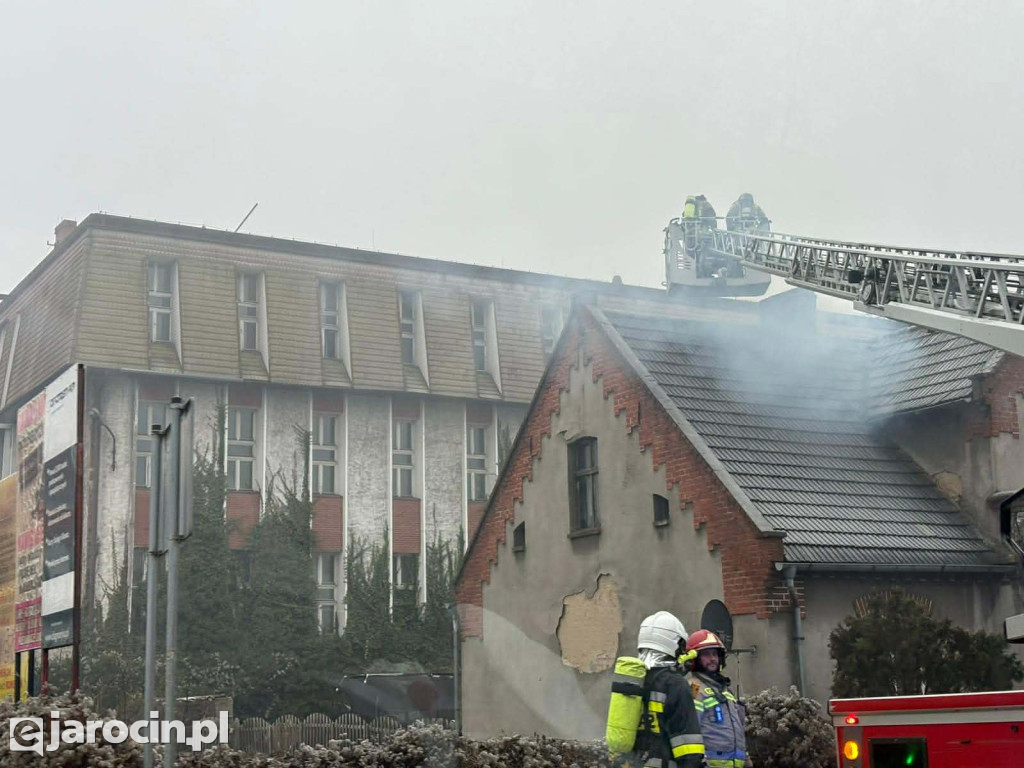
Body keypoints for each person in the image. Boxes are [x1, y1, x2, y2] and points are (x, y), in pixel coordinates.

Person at [631, 611, 706, 767]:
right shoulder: (676, 685)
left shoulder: (632, 681)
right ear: (674, 644)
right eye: (681, 646)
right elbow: (688, 748)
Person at [685, 630, 752, 768]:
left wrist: (746, 758)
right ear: (694, 659)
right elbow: (689, 730)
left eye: (714, 654)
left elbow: (737, 730)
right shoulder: (694, 688)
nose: (712, 659)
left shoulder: (725, 691)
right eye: (706, 654)